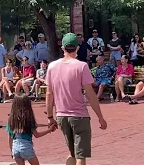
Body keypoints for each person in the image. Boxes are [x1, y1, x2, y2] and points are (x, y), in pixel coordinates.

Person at [46, 33, 107, 165]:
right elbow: (90, 94)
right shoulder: (81, 66)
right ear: (77, 48)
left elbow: (49, 94)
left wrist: (50, 116)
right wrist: (100, 117)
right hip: (79, 115)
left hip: (61, 115)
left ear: (63, 48)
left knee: (72, 153)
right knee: (80, 155)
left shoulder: (52, 66)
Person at [7, 94, 56, 165]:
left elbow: (10, 137)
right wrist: (49, 130)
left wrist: (11, 150)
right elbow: (37, 135)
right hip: (26, 147)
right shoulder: (28, 119)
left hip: (15, 147)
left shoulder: (11, 119)